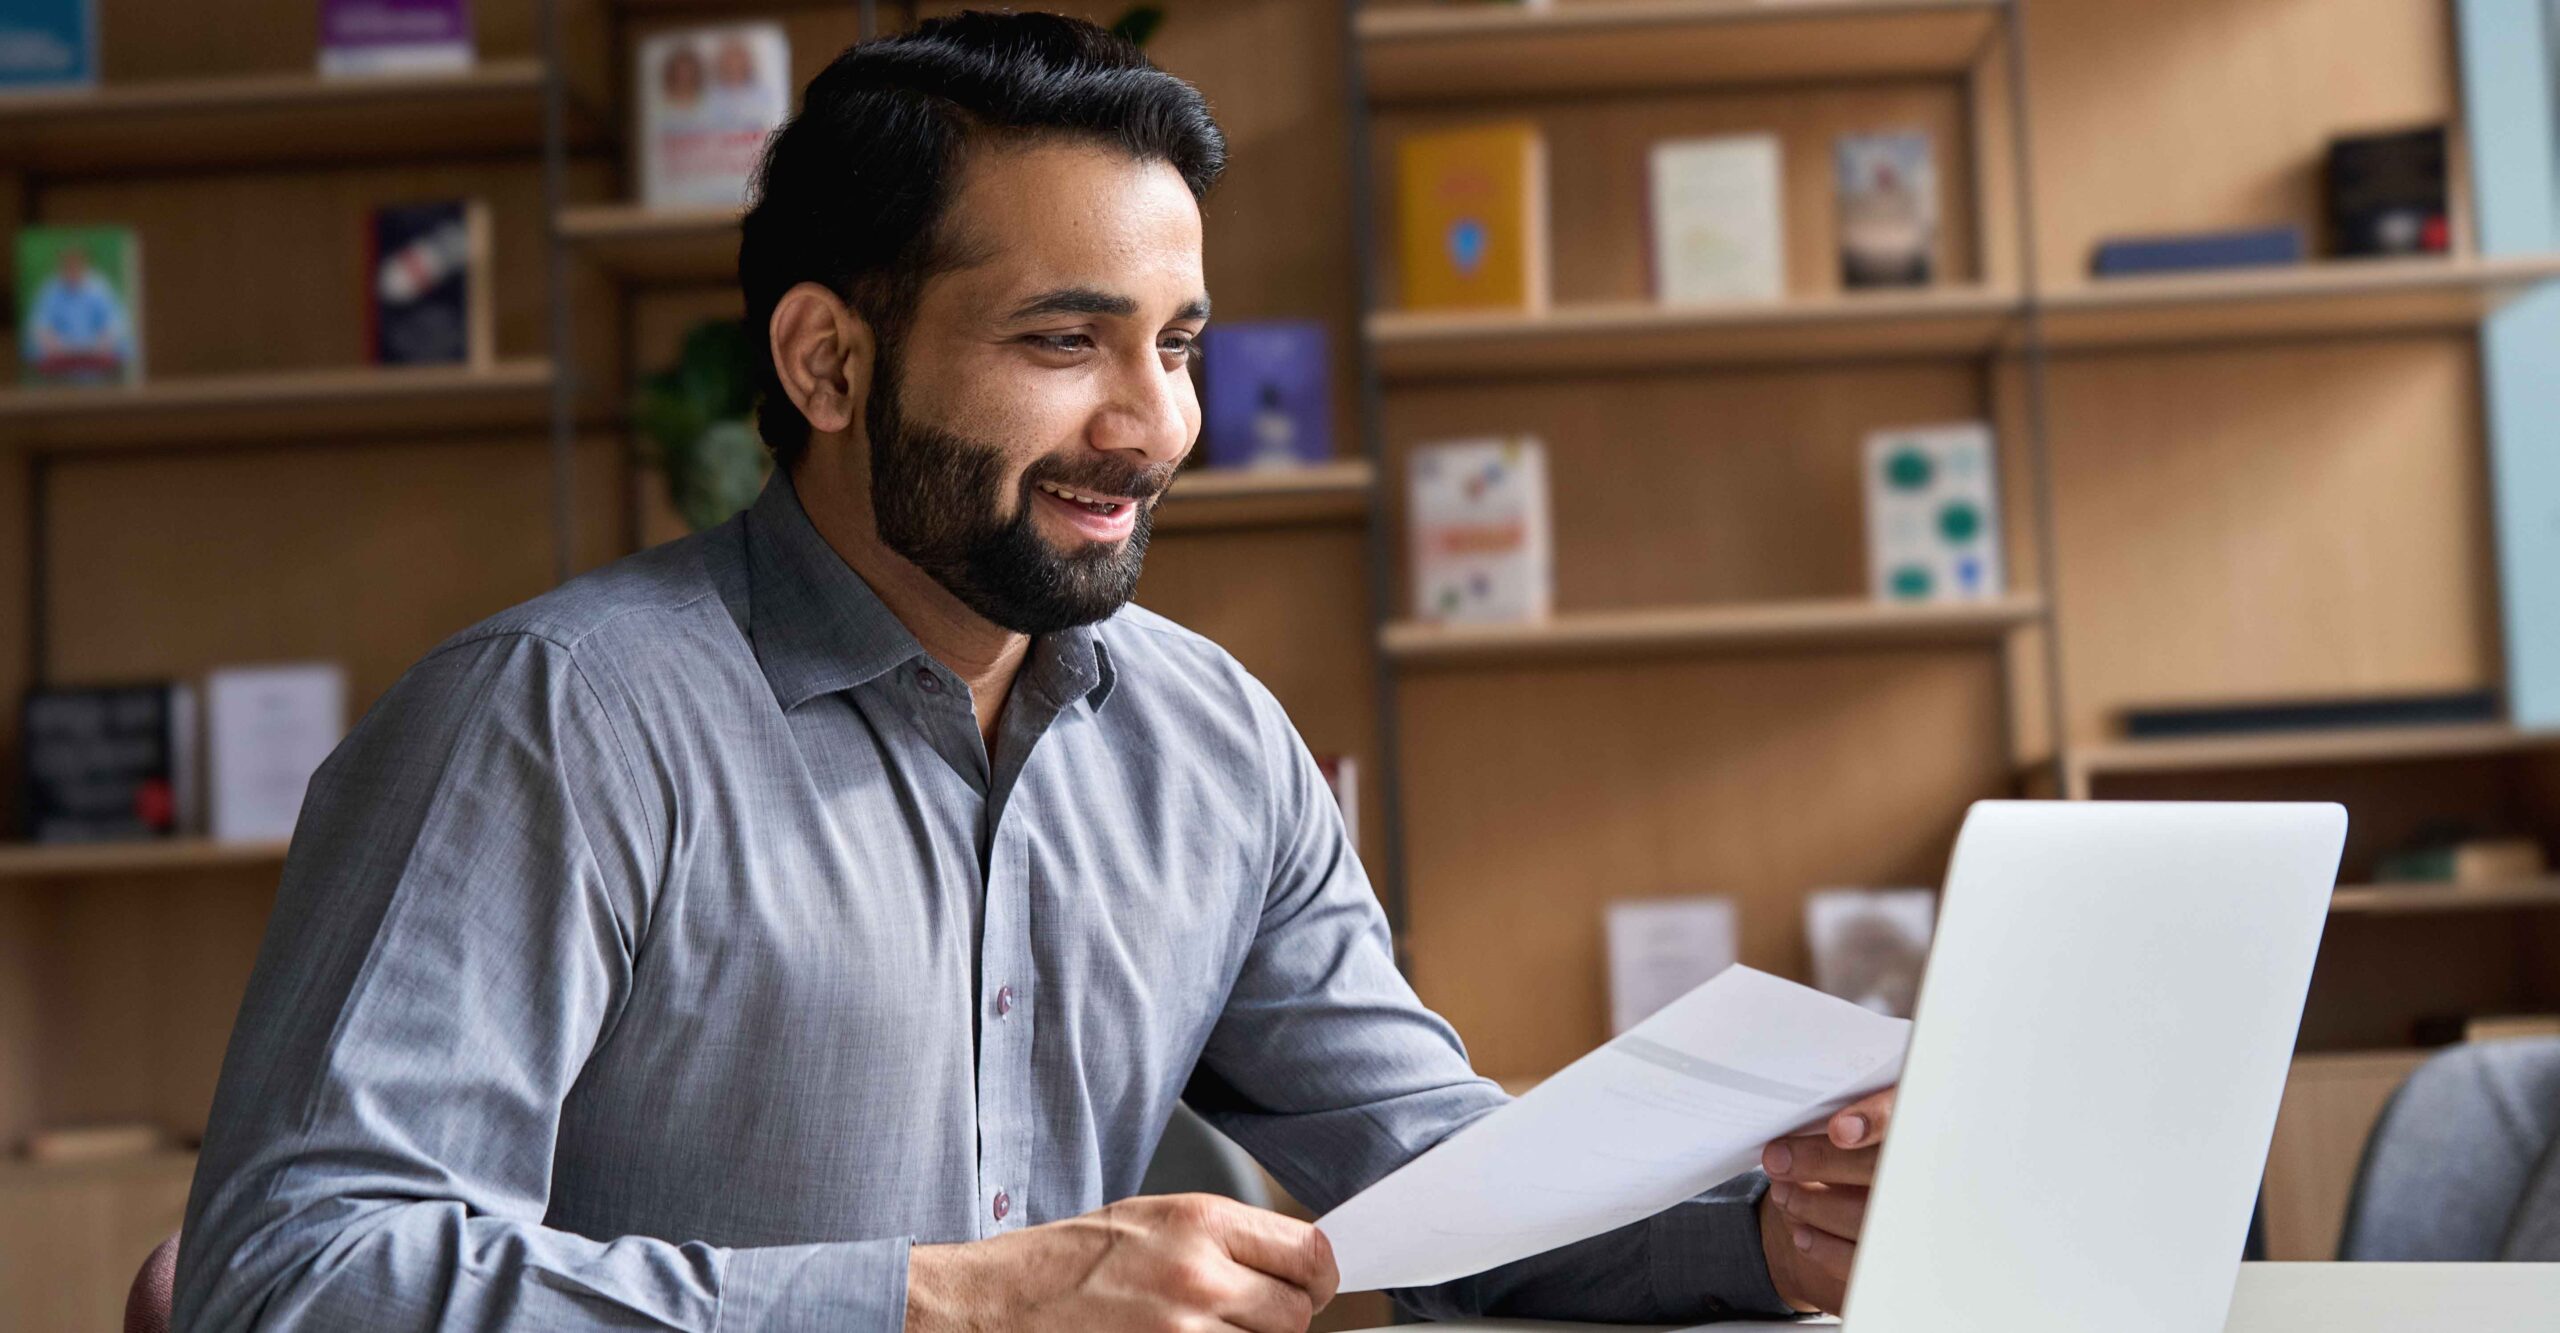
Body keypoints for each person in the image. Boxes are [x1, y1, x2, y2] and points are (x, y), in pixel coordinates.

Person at [172, 13, 1891, 1330]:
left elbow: (1430, 1172)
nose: (1154, 426)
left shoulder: (1210, 740)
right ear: (828, 361)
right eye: (1066, 341)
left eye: (1177, 344)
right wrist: (960, 1299)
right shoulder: (550, 724)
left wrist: (1763, 1232)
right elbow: (300, 1273)